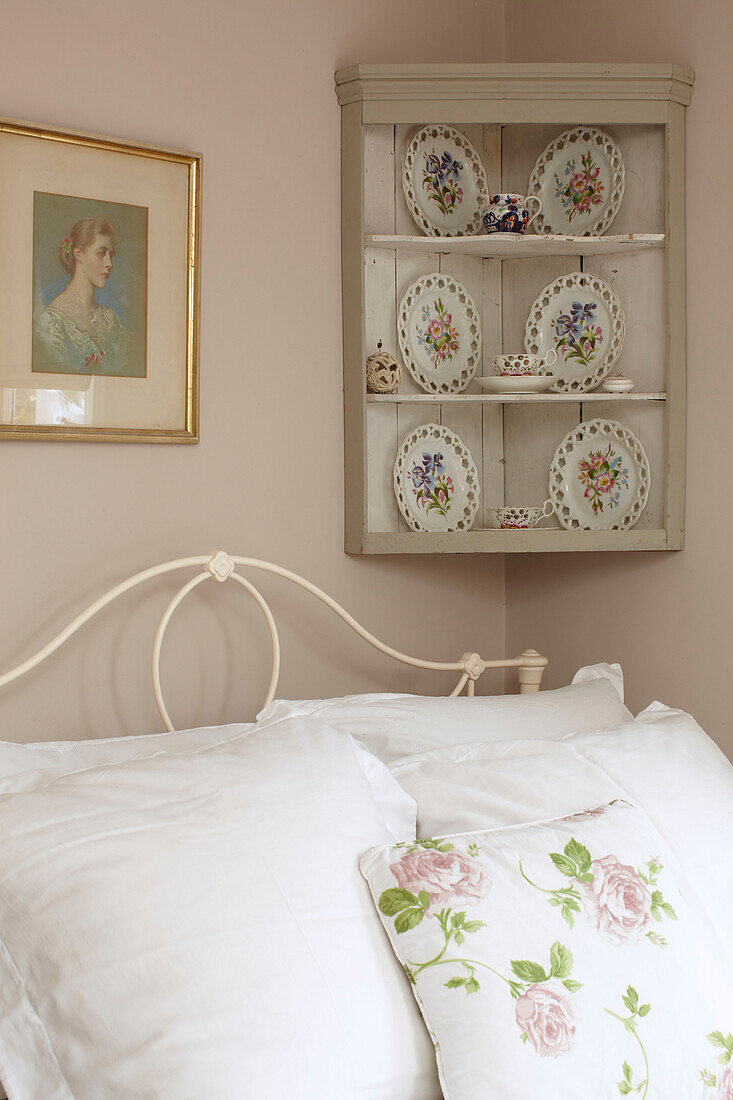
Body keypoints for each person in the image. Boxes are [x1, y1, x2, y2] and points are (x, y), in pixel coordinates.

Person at [34, 216, 131, 375]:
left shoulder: (109, 319)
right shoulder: (52, 321)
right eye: (101, 253)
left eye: (110, 254)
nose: (109, 263)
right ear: (78, 254)